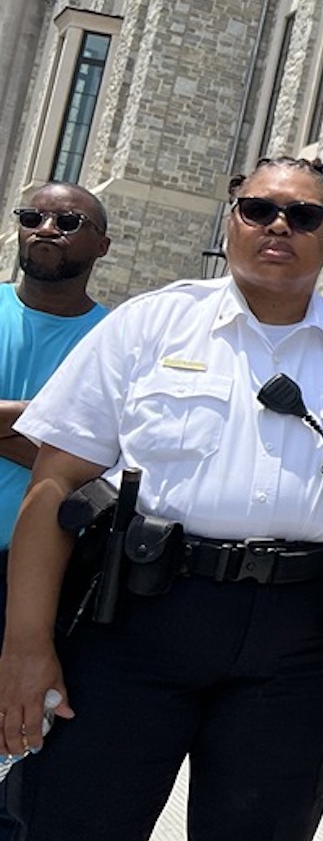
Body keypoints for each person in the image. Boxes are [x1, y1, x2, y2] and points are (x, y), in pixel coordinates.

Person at [0, 156, 323, 839]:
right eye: (258, 209)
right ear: (231, 220)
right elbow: (56, 482)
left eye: (304, 216)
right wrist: (25, 645)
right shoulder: (149, 326)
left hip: (301, 642)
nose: (279, 226)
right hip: (139, 623)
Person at [0, 184, 111, 840]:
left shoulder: (116, 339)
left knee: (25, 749)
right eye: (31, 216)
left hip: (56, 579)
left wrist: (65, 451)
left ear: (101, 243)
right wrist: (56, 438)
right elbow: (71, 449)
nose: (46, 228)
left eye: (68, 221)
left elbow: (106, 459)